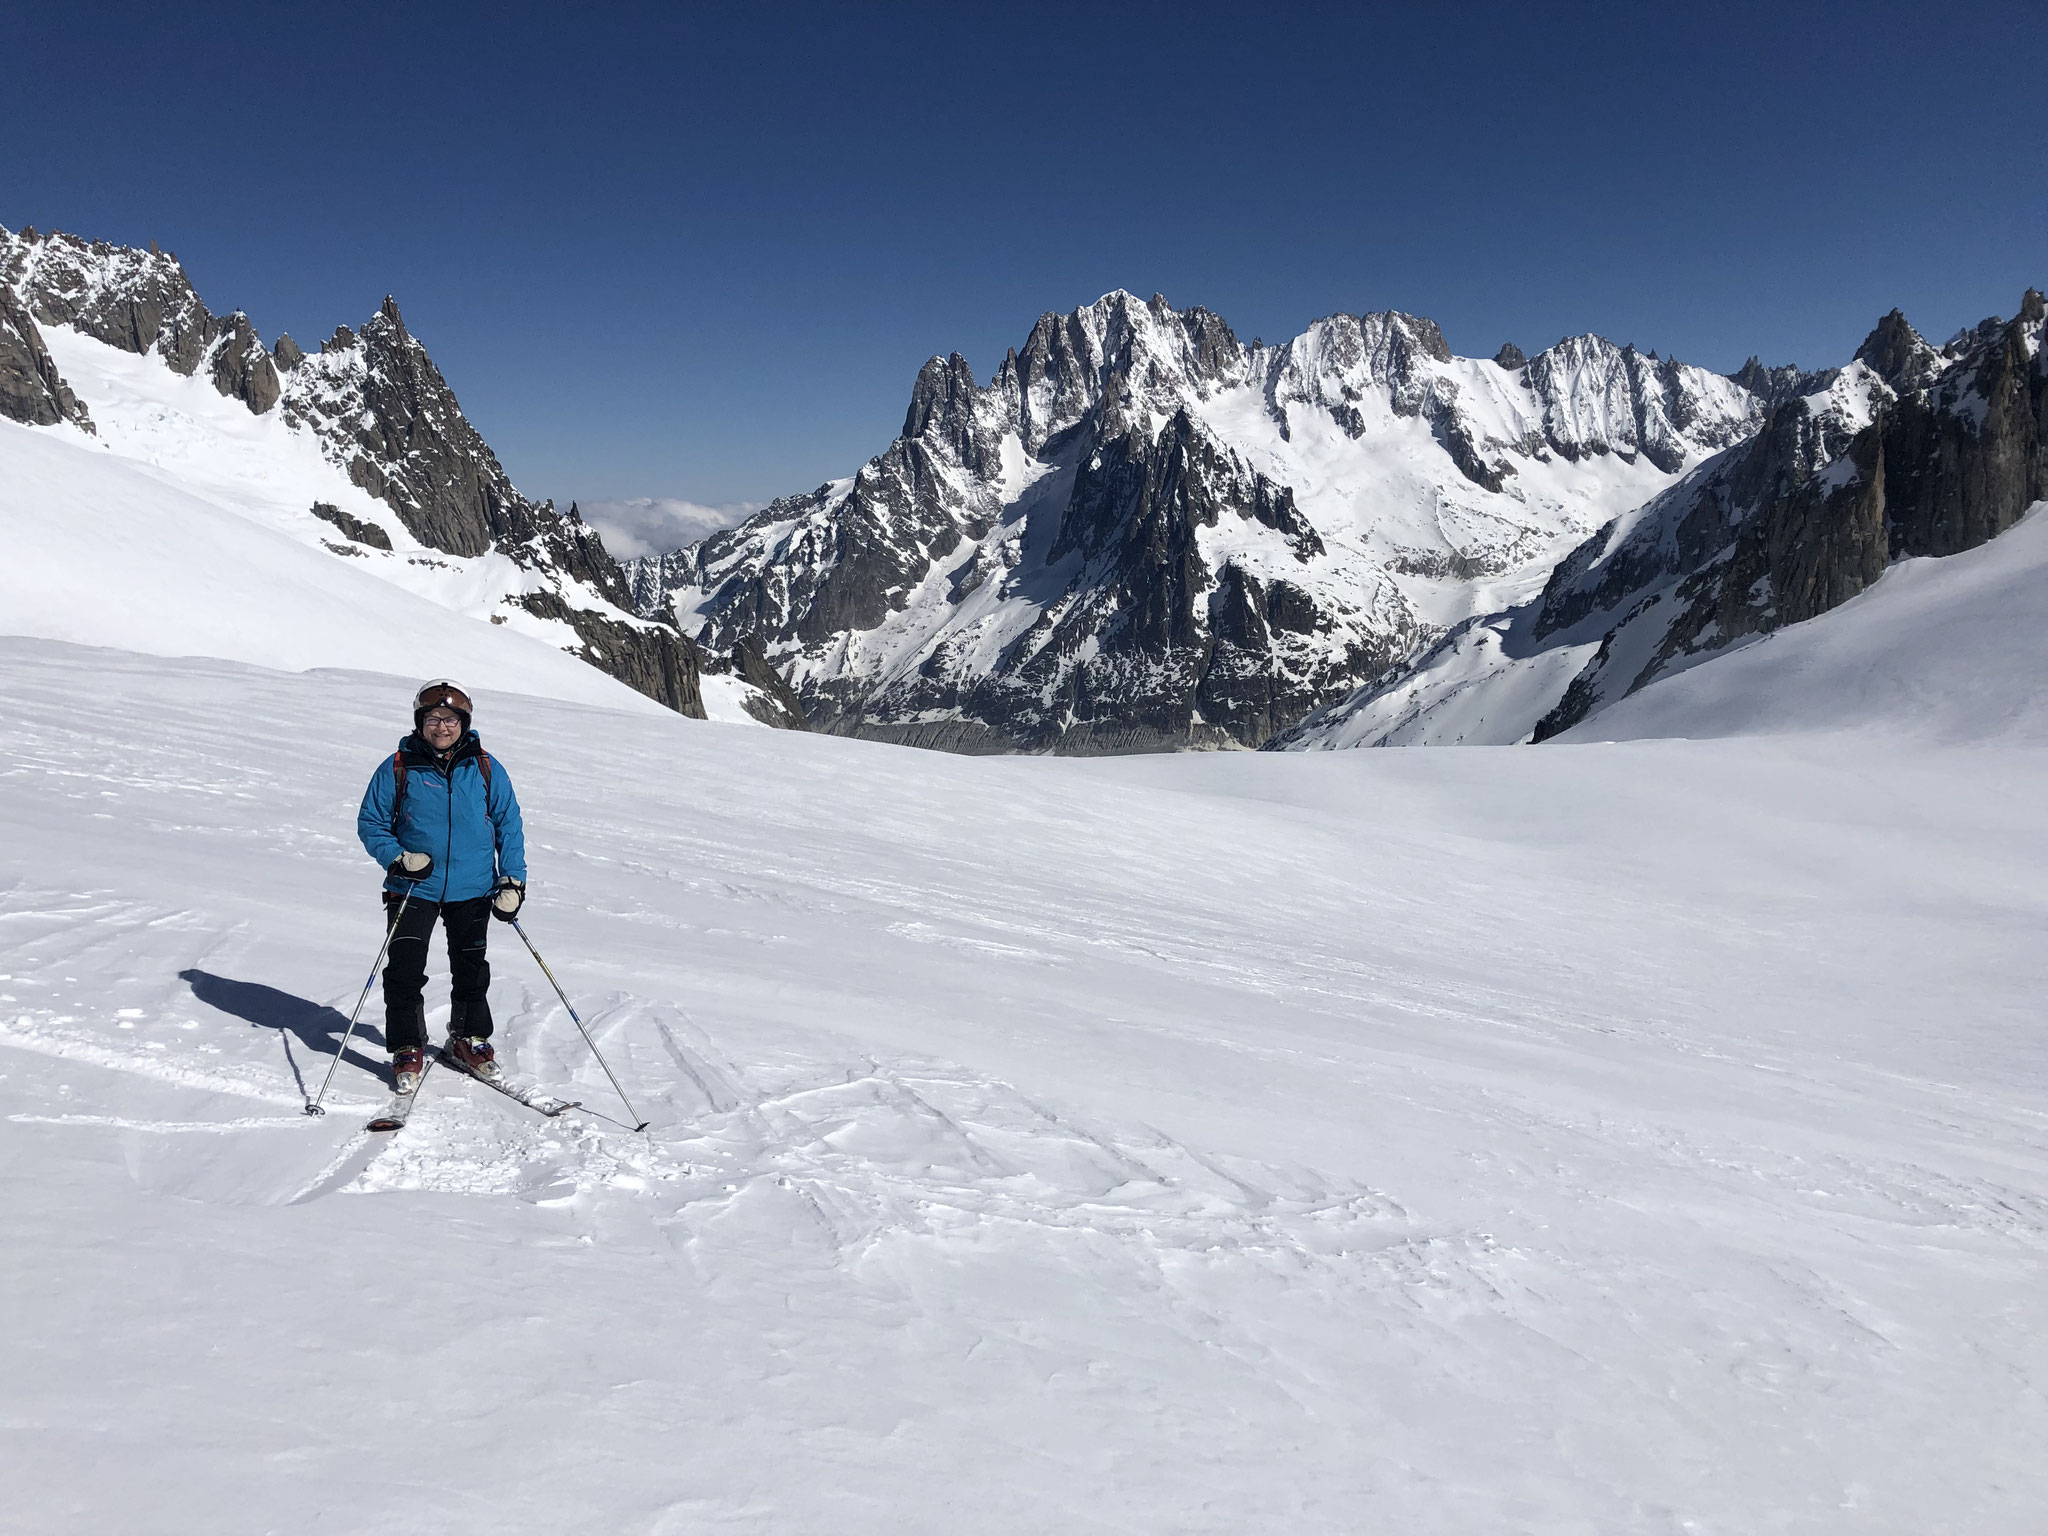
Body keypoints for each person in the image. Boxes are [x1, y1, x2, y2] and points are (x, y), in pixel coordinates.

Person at [355, 680, 528, 1092]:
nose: (442, 727)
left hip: (473, 887)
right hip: (415, 886)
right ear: (420, 722)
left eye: (451, 720)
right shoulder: (398, 765)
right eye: (433, 719)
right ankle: (406, 1046)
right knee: (404, 969)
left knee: (471, 969)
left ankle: (468, 1038)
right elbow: (371, 823)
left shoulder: (484, 766)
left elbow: (508, 824)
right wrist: (398, 858)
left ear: (464, 723)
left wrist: (513, 880)